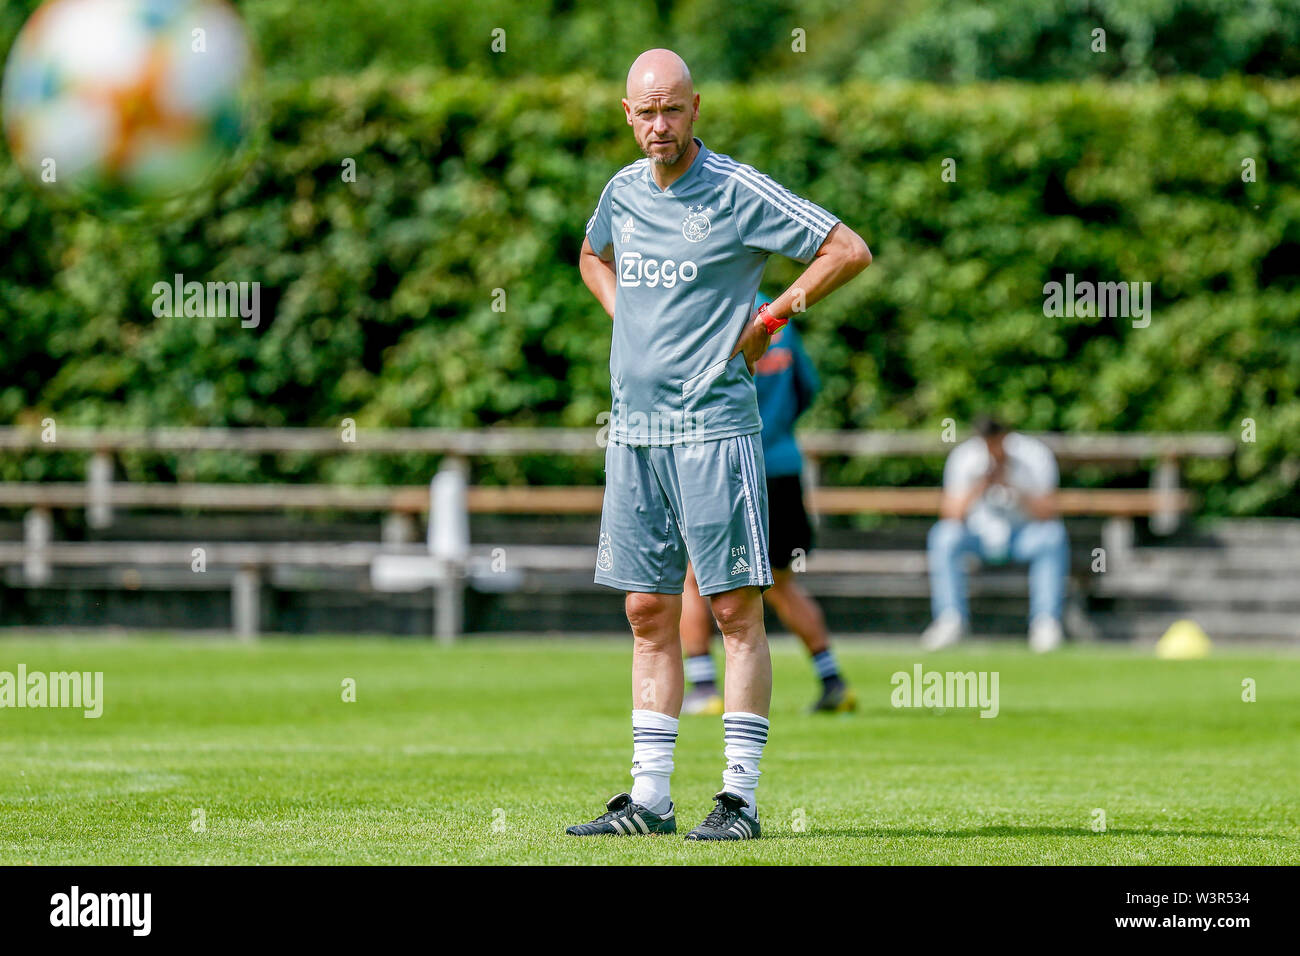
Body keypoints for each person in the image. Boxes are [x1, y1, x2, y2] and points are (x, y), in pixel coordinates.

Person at [568, 49, 871, 840]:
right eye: (646, 112)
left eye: (672, 109)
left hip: (713, 430)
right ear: (626, 114)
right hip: (633, 432)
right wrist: (624, 315)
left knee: (737, 607)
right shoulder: (621, 193)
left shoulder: (737, 190)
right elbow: (590, 254)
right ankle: (650, 799)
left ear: (695, 108)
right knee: (645, 611)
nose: (659, 125)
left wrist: (772, 319)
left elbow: (847, 248)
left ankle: (738, 799)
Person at [679, 293, 855, 716]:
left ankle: (704, 686)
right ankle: (832, 680)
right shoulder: (778, 314)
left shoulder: (708, 305)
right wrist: (774, 429)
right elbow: (807, 387)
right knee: (779, 583)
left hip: (725, 462)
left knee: (691, 578)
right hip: (780, 463)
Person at [921, 416, 1069, 653]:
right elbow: (950, 514)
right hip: (977, 537)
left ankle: (1046, 623)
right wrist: (981, 485)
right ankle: (950, 620)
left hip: (1022, 536)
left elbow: (1049, 513)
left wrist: (1012, 483)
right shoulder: (964, 457)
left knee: (1052, 536)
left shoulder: (1034, 455)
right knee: (944, 537)